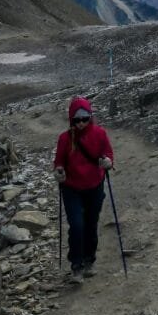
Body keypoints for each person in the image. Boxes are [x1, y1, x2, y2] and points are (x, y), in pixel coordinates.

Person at [54, 96, 114, 284]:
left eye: (84, 118)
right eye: (76, 119)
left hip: (95, 185)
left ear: (90, 117)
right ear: (71, 119)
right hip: (72, 188)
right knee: (77, 225)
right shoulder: (64, 139)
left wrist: (107, 162)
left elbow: (108, 154)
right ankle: (77, 266)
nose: (81, 123)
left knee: (90, 223)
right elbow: (59, 162)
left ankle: (89, 259)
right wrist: (59, 171)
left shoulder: (100, 134)